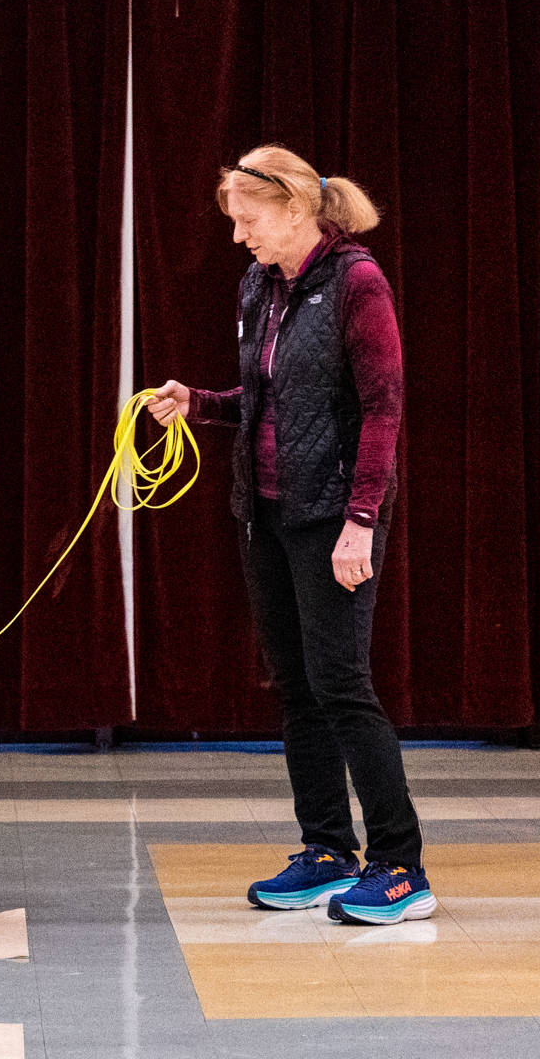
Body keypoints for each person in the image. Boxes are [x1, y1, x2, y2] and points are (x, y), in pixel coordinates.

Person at [147, 145, 434, 925]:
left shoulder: (356, 283)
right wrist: (201, 403)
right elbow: (270, 397)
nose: (238, 236)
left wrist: (360, 522)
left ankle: (400, 867)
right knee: (296, 689)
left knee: (341, 685)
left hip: (335, 516)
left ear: (295, 209)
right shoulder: (259, 285)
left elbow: (381, 409)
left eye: (248, 220)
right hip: (266, 514)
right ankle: (326, 850)